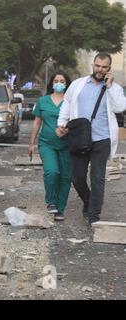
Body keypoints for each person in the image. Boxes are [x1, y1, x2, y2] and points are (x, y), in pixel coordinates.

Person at [56, 52, 126, 225]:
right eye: (97, 65)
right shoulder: (78, 84)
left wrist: (109, 86)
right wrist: (61, 123)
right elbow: (67, 103)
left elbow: (120, 108)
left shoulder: (114, 89)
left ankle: (94, 216)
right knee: (77, 178)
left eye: (104, 67)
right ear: (93, 65)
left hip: (102, 139)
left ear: (109, 69)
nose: (100, 69)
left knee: (97, 178)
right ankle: (88, 201)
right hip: (80, 138)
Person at [29, 71, 72, 221]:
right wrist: (32, 143)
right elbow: (37, 122)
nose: (59, 83)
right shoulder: (43, 101)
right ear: (52, 83)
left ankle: (60, 209)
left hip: (67, 145)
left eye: (62, 81)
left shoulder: (71, 101)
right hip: (47, 144)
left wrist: (67, 129)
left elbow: (79, 121)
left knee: (66, 177)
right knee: (52, 172)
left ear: (66, 84)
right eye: (56, 81)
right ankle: (51, 202)